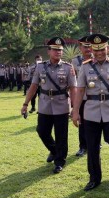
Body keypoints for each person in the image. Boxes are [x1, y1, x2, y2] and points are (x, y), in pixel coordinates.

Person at [72, 33, 109, 191]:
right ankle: (95, 178)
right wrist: (75, 112)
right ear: (92, 51)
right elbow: (80, 90)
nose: (99, 53)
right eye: (96, 51)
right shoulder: (85, 66)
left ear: (107, 48)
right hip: (91, 112)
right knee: (92, 146)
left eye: (102, 49)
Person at [21, 37, 77, 174]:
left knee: (61, 136)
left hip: (62, 105)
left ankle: (59, 162)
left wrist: (75, 108)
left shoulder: (68, 68)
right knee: (42, 131)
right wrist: (25, 104)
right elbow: (34, 86)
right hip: (45, 104)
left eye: (60, 50)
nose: (58, 52)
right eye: (55, 50)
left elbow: (73, 89)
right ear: (49, 51)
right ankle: (54, 150)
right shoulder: (41, 67)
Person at [71, 36, 92, 157]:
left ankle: (95, 143)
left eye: (90, 46)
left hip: (95, 97)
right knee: (82, 123)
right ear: (80, 48)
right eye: (85, 46)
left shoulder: (97, 59)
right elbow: (73, 83)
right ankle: (82, 146)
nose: (88, 49)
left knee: (96, 122)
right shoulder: (75, 62)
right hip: (82, 98)